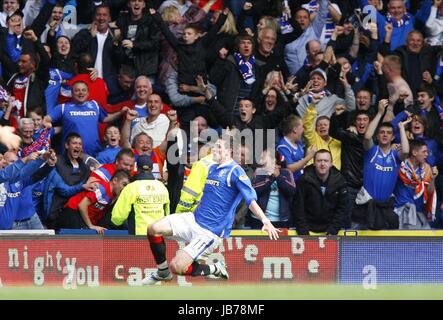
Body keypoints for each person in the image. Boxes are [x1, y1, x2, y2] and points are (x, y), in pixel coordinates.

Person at [142, 135, 280, 285]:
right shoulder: (212, 168)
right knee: (153, 228)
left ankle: (214, 268)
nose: (214, 149)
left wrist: (264, 220)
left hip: (209, 232)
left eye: (219, 147)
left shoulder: (236, 172)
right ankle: (162, 272)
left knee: (177, 266)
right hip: (193, 219)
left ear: (229, 151)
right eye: (215, 146)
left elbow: (250, 199)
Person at [351, 99, 411, 230]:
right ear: (377, 136)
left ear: (392, 137)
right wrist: (379, 113)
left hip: (385, 208)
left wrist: (401, 128)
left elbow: (406, 151)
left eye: (389, 133)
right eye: (382, 132)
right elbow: (367, 137)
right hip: (364, 208)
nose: (385, 135)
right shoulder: (371, 151)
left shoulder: (395, 156)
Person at [292, 149, 348, 235]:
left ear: (331, 164)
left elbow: (342, 208)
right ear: (314, 163)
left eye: (326, 161)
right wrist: (304, 233)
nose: (322, 164)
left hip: (331, 230)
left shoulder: (340, 180)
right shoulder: (303, 180)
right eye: (319, 161)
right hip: (307, 230)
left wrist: (332, 231)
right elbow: (298, 208)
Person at [57, 170, 130, 233]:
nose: (125, 188)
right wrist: (91, 226)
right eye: (124, 184)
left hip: (79, 217)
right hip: (72, 212)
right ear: (115, 180)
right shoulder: (102, 188)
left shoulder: (112, 197)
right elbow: (82, 205)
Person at [111, 155, 170, 235]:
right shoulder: (162, 187)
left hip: (139, 238)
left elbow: (117, 218)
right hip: (159, 237)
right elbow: (167, 214)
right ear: (152, 168)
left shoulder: (130, 188)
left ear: (137, 168)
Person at [394, 140, 438, 229]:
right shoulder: (401, 166)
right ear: (414, 152)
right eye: (424, 152)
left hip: (419, 212)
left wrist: (432, 179)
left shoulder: (425, 170)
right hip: (403, 209)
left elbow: (429, 192)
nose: (426, 155)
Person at [247, 149, 295, 229]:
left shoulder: (286, 173)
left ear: (275, 160)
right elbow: (254, 192)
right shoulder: (259, 172)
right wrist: (271, 177)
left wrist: (278, 177)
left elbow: (291, 191)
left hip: (281, 220)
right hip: (259, 219)